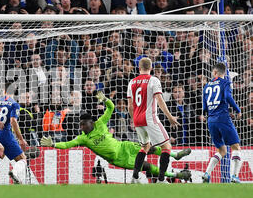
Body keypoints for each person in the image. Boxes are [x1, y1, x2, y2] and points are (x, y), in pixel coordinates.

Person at [40, 92, 191, 182]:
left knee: (149, 147)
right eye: (80, 125)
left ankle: (175, 154)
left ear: (91, 122)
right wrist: (53, 144)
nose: (82, 127)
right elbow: (67, 145)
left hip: (123, 145)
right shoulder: (83, 138)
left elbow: (111, 107)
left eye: (83, 124)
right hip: (119, 159)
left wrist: (105, 99)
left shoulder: (100, 123)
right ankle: (176, 174)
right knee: (146, 166)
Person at [127, 57, 180, 184]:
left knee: (144, 147)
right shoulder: (153, 80)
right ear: (151, 68)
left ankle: (134, 177)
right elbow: (160, 100)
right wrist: (170, 117)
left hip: (137, 119)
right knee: (166, 147)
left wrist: (133, 119)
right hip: (150, 118)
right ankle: (161, 180)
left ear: (139, 68)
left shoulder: (132, 82)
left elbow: (130, 106)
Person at [202, 62, 242, 183]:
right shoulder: (225, 83)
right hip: (223, 118)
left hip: (211, 120)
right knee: (236, 147)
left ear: (215, 72)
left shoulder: (207, 85)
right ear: (223, 73)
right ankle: (235, 176)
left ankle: (207, 174)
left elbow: (204, 105)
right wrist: (238, 110)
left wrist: (204, 114)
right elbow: (228, 97)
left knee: (222, 150)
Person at [0, 82, 28, 184]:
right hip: (4, 133)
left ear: (3, 91)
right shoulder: (14, 104)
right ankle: (14, 172)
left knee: (0, 155)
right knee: (22, 159)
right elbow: (13, 121)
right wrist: (21, 139)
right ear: (14, 92)